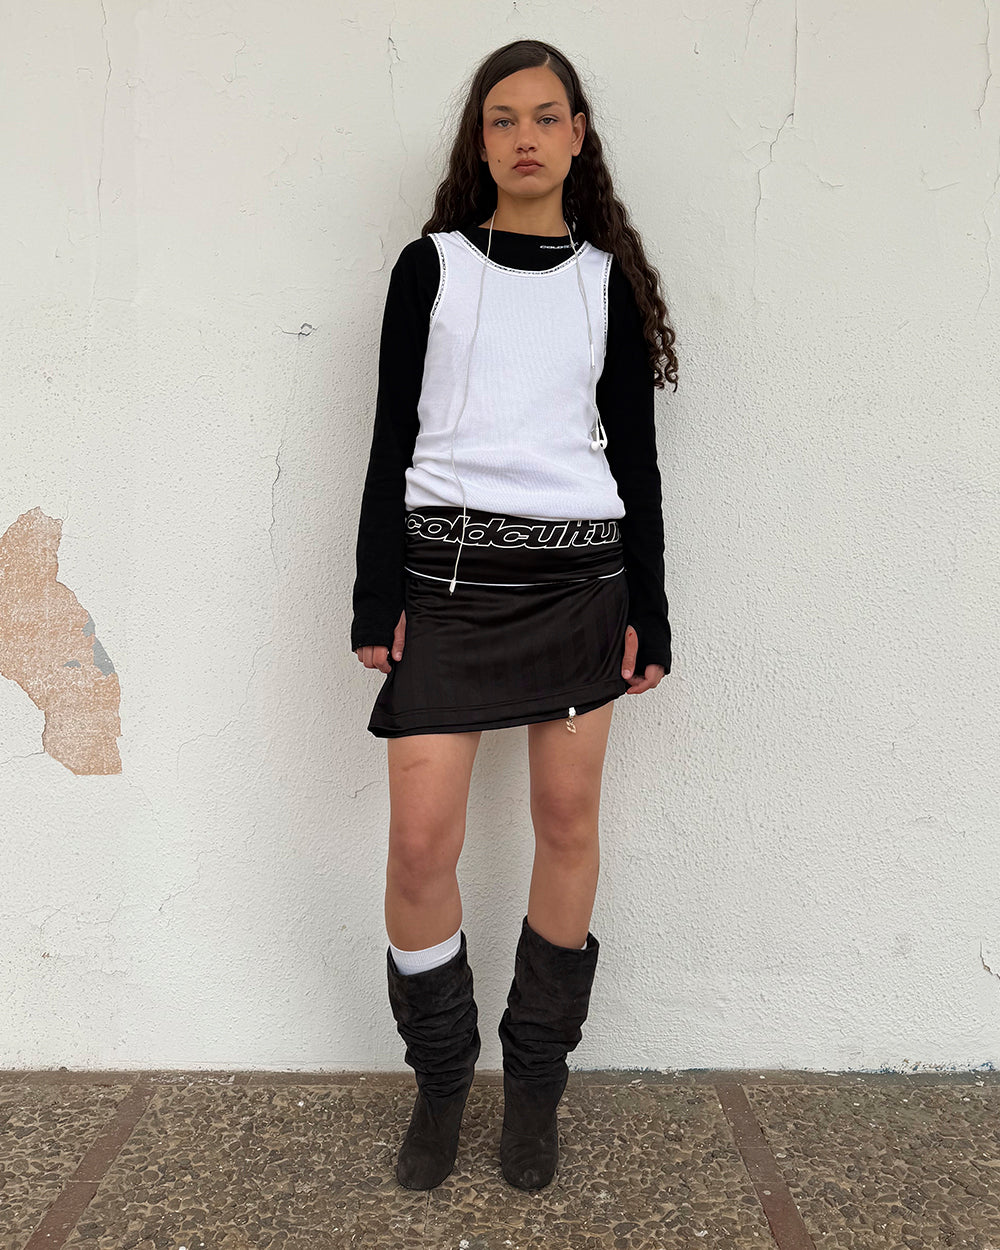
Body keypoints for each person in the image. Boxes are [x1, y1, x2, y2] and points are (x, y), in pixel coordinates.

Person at [350, 38, 678, 1193]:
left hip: (581, 589)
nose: (525, 136)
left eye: (546, 116)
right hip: (445, 588)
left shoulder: (604, 284)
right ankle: (443, 1077)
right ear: (478, 141)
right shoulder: (429, 268)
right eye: (503, 118)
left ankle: (534, 1080)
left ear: (577, 136)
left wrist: (650, 608)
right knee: (418, 842)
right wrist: (376, 593)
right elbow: (390, 437)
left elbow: (633, 461)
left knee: (567, 821)